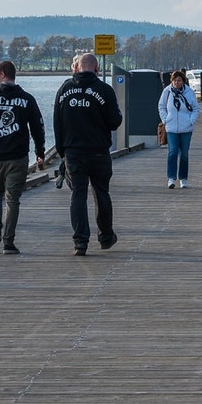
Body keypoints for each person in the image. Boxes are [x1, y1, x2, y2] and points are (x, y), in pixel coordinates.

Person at [53, 53, 123, 256]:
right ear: (97, 69)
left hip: (73, 152)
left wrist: (61, 151)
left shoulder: (64, 89)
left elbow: (57, 122)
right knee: (101, 193)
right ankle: (106, 237)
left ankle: (80, 242)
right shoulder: (104, 90)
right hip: (99, 151)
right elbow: (114, 122)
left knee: (78, 194)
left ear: (77, 68)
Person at [0, 60, 46, 254]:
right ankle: (8, 242)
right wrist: (40, 152)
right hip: (18, 156)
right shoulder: (27, 99)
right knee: (13, 199)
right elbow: (38, 127)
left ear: (3, 74)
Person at [158, 69, 200, 189]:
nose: (177, 83)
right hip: (171, 127)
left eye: (179, 80)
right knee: (172, 152)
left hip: (186, 128)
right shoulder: (167, 91)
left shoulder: (189, 92)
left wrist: (191, 120)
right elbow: (161, 106)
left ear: (183, 81)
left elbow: (196, 108)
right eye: (175, 80)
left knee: (184, 154)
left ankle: (183, 178)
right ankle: (171, 178)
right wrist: (165, 119)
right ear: (172, 81)